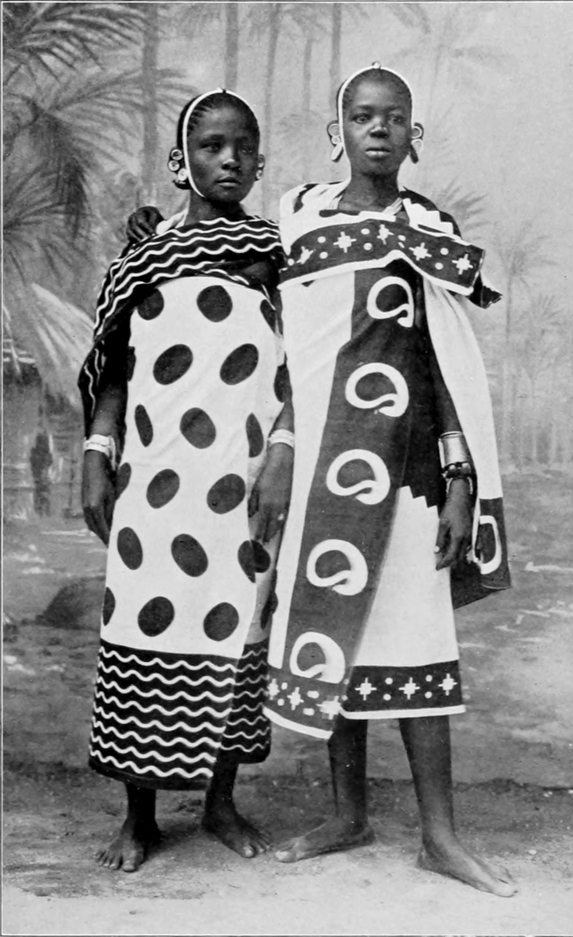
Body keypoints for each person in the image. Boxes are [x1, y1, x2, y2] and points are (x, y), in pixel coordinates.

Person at [126, 65, 516, 897]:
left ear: (414, 135)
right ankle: (348, 814)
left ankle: (441, 835)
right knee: (337, 634)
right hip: (319, 462)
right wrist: (153, 230)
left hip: (406, 469)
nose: (379, 129)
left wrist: (457, 473)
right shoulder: (300, 217)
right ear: (339, 133)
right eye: (363, 117)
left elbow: (442, 360)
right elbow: (235, 267)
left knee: (417, 636)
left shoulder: (429, 230)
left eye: (395, 118)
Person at [79, 89, 294, 872]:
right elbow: (114, 370)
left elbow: (302, 365)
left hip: (243, 483)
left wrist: (284, 452)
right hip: (154, 481)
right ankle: (138, 816)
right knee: (146, 627)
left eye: (243, 147)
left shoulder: (277, 257)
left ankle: (220, 802)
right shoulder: (142, 259)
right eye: (210, 145)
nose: (229, 159)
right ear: (180, 161)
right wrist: (96, 454)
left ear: (259, 162)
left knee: (236, 632)